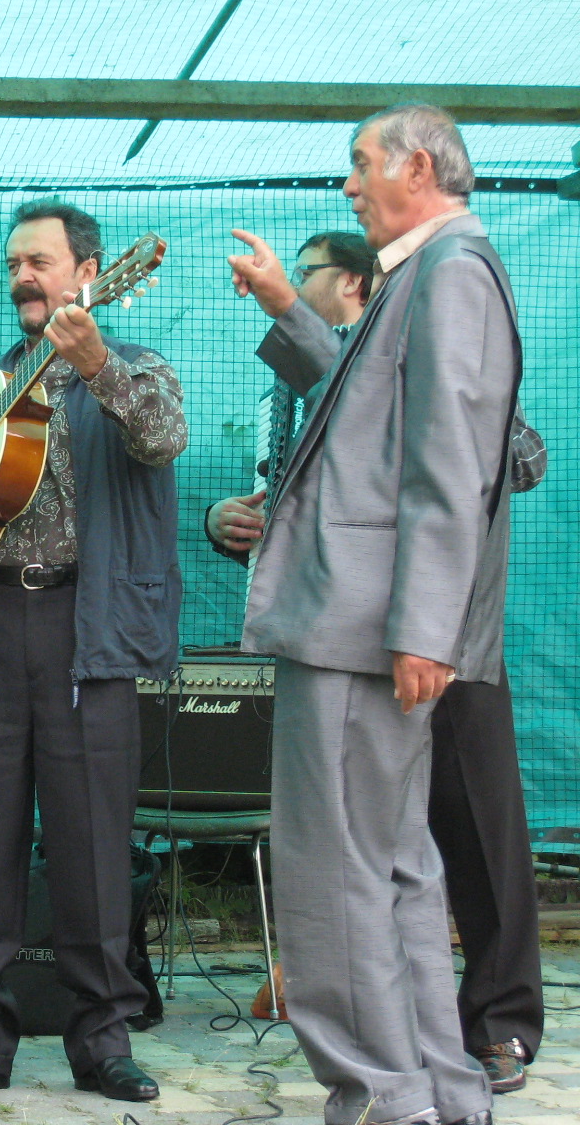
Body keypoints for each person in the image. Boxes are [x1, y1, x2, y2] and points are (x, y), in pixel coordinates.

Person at [229, 103, 519, 1125]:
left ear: (419, 168)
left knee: (336, 871)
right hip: (367, 625)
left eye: (362, 164)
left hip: (362, 629)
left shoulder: (451, 274)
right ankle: (437, 1092)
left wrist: (424, 628)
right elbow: (363, 404)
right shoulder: (427, 273)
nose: (349, 185)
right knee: (393, 868)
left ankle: (380, 1095)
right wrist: (286, 305)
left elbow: (450, 463)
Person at [0, 200, 186, 1104]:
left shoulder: (137, 366)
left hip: (87, 629)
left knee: (92, 840)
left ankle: (103, 1039)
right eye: (15, 262)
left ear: (90, 274)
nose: (22, 275)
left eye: (40, 261)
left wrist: (95, 364)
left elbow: (162, 438)